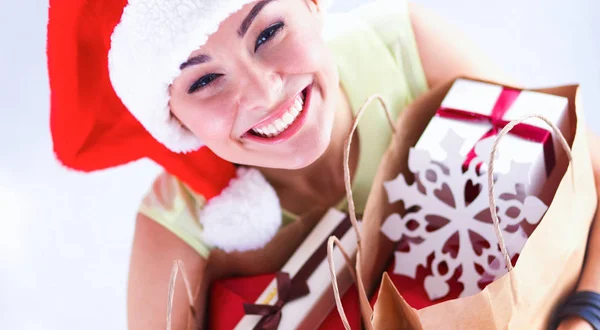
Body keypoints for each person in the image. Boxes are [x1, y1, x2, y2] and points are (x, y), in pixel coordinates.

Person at [46, 0, 600, 329]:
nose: (264, 91)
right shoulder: (175, 234)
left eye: (267, 32)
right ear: (177, 119)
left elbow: (587, 172)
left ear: (313, 4)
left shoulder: (407, 48)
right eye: (205, 80)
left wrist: (585, 315)